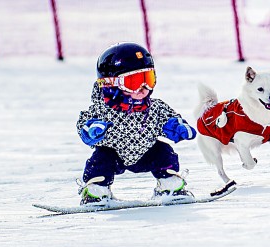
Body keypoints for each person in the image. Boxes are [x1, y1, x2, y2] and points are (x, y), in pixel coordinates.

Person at [76, 42, 197, 206]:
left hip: (146, 153)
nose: (143, 88)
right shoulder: (102, 110)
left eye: (148, 79)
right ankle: (96, 190)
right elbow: (84, 123)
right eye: (133, 82)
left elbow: (167, 118)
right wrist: (91, 131)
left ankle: (169, 184)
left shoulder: (155, 108)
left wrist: (177, 127)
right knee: (101, 159)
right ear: (111, 84)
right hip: (115, 155)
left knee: (164, 151)